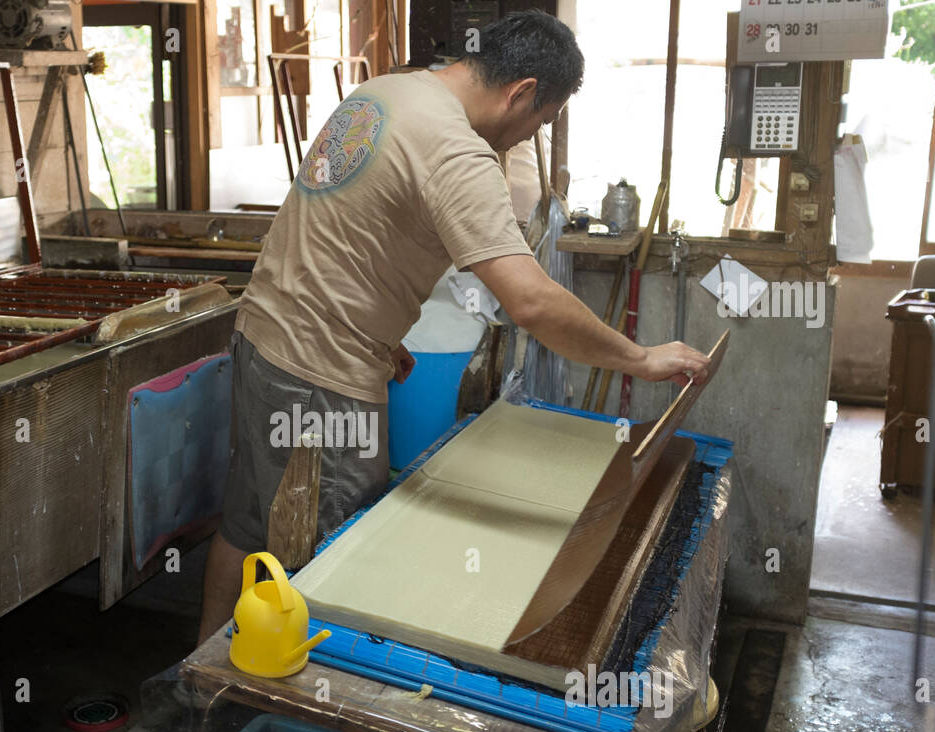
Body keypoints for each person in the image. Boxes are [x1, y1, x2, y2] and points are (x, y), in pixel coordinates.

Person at [197, 9, 712, 642]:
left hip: (262, 337)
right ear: (521, 92)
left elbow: (347, 231)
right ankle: (302, 692)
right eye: (540, 122)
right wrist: (641, 358)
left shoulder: (385, 92)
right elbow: (531, 303)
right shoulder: (456, 151)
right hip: (321, 376)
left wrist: (381, 335)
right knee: (334, 563)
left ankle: (201, 678)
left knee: (247, 527)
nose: (529, 137)